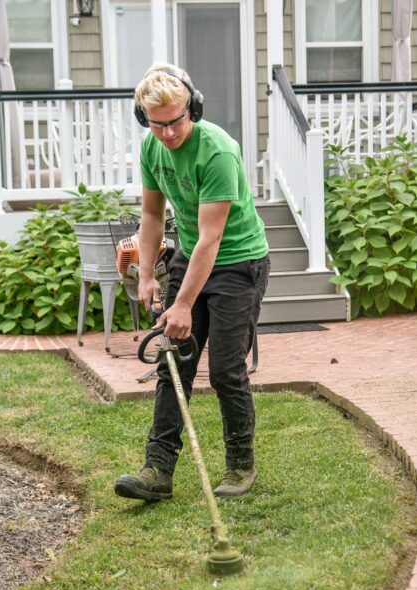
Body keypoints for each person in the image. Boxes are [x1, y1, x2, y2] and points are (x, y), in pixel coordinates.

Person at [114, 64, 270, 501]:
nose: (166, 133)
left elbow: (211, 237)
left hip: (238, 262)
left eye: (176, 121)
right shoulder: (152, 147)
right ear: (144, 118)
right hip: (190, 255)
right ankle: (157, 472)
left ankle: (241, 466)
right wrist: (145, 274)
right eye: (156, 124)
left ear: (193, 108)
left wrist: (182, 305)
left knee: (224, 369)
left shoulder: (217, 151)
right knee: (172, 362)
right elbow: (150, 215)